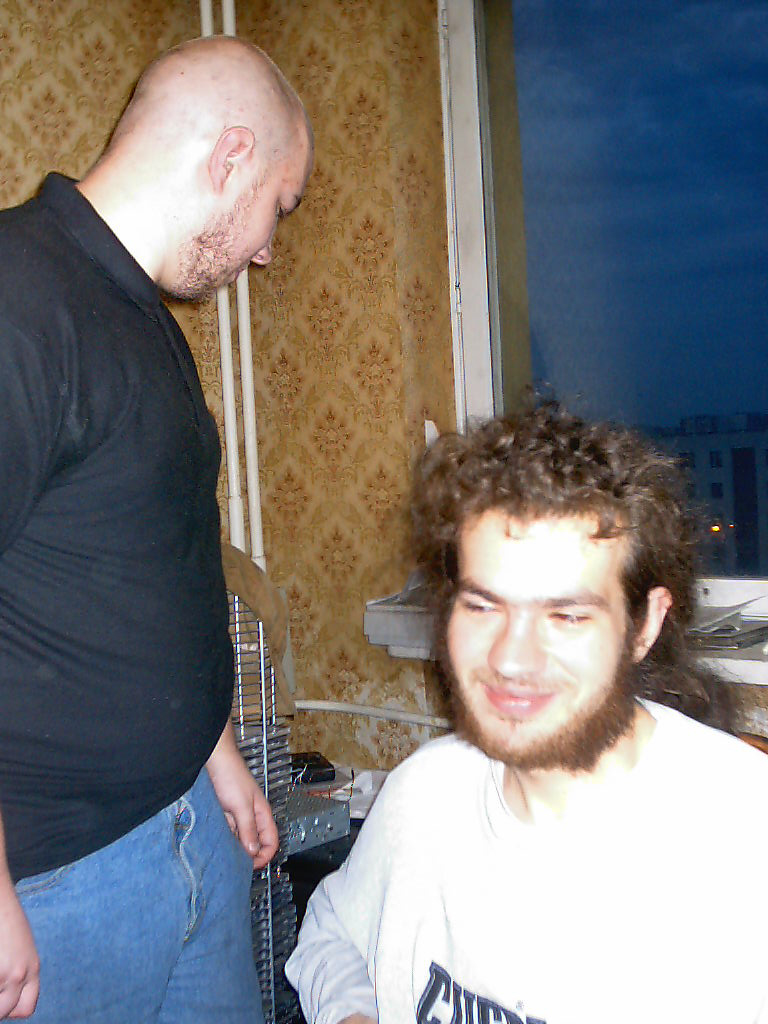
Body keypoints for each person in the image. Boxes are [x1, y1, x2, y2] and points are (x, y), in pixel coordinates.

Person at [0, 35, 313, 1023]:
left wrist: (216, 753)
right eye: (279, 205)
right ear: (232, 155)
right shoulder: (17, 297)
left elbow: (152, 565)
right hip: (59, 879)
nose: (266, 248)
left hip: (186, 823)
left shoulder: (141, 315)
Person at [286, 402, 768, 1024]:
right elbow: (331, 932)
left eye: (566, 616)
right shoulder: (423, 793)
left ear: (645, 625)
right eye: (483, 606)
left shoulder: (741, 844)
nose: (510, 659)